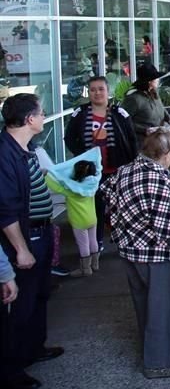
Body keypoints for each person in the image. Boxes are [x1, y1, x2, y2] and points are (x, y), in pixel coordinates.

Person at [102, 128, 170, 380]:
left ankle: (152, 350)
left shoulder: (125, 170)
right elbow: (168, 225)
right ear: (166, 154)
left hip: (129, 251)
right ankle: (158, 363)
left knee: (144, 305)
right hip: (155, 254)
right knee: (161, 309)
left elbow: (108, 195)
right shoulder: (160, 178)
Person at [0, 94, 64, 388]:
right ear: (29, 119)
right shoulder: (4, 153)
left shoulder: (25, 147)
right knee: (22, 304)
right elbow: (7, 209)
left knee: (40, 295)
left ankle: (34, 348)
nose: (44, 117)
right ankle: (12, 370)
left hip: (43, 231)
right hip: (27, 239)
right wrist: (21, 250)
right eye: (41, 113)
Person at [64, 75, 138, 253]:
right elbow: (69, 138)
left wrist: (131, 164)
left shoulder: (120, 113)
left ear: (108, 91)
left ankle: (124, 239)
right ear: (88, 92)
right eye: (93, 90)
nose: (97, 93)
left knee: (121, 206)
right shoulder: (80, 114)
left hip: (116, 169)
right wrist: (81, 155)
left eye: (101, 89)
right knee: (95, 207)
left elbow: (131, 140)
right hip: (91, 172)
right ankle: (97, 241)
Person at [44, 156, 101, 277]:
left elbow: (55, 186)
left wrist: (47, 175)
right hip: (92, 219)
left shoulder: (71, 191)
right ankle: (95, 265)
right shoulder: (93, 185)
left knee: (83, 245)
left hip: (79, 222)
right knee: (93, 241)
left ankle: (85, 269)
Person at [123, 63, 170, 146]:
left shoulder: (154, 93)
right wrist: (144, 130)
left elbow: (161, 108)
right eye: (156, 78)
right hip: (143, 144)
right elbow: (123, 121)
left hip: (159, 139)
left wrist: (169, 118)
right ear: (149, 81)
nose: (158, 80)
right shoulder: (134, 99)